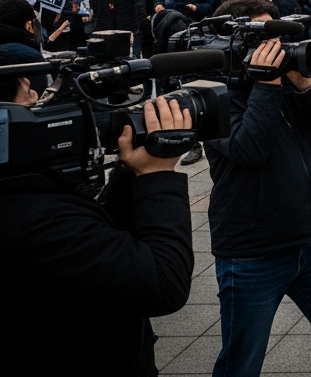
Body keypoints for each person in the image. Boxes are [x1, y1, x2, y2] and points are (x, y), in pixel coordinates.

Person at [204, 0, 311, 377]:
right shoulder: (212, 93)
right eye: (262, 37)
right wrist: (266, 84)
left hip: (309, 243)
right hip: (252, 254)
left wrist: (303, 83)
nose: (273, 48)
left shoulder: (287, 83)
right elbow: (248, 149)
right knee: (242, 362)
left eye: (276, 35)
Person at [0, 94, 194, 376]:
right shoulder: (36, 221)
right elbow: (163, 282)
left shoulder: (24, 195)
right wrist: (158, 176)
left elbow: (100, 245)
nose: (41, 102)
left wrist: (130, 173)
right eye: (33, 96)